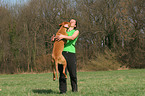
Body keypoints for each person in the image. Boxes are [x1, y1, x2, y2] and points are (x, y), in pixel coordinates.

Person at [51, 19, 79, 94]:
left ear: (75, 25)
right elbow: (58, 41)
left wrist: (62, 36)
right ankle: (62, 91)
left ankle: (75, 90)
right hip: (62, 53)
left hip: (71, 53)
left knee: (73, 73)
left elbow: (72, 38)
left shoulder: (76, 31)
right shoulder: (63, 31)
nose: (70, 22)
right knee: (63, 74)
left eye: (72, 22)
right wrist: (54, 39)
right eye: (70, 21)